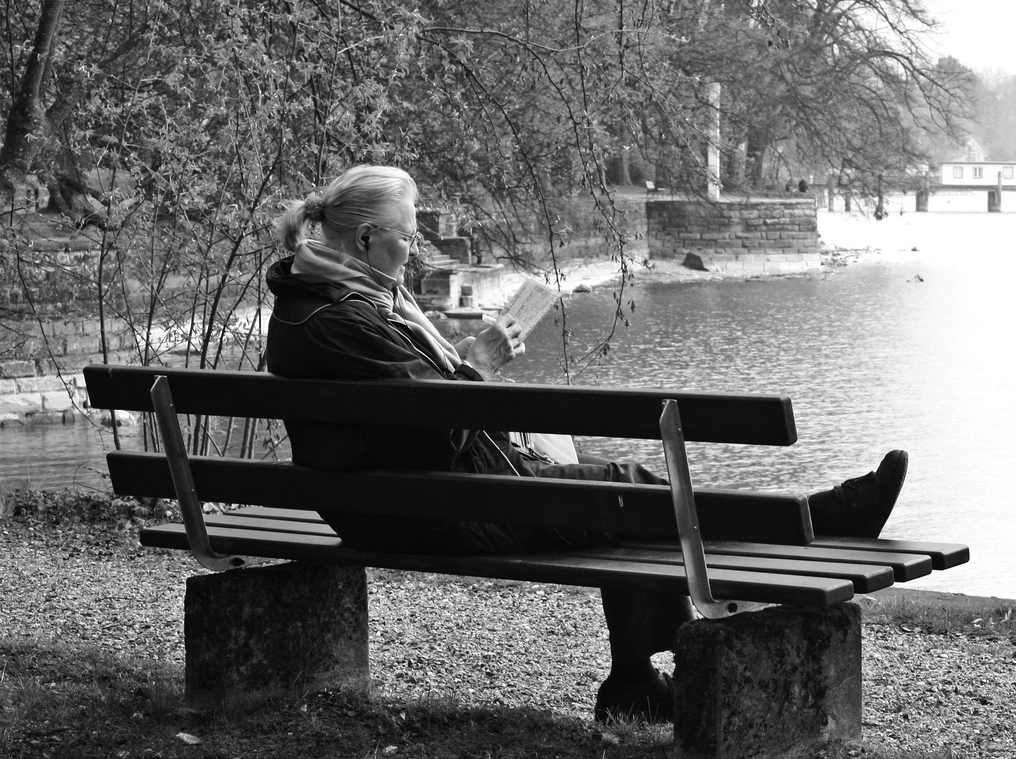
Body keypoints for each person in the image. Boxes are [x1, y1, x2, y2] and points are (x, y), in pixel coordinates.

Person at [264, 165, 908, 723]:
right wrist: (478, 364)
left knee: (617, 499)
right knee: (628, 490)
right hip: (437, 509)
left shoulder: (326, 303)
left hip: (406, 498)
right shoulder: (344, 316)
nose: (414, 249)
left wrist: (460, 364)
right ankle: (818, 518)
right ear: (368, 237)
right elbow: (431, 430)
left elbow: (403, 412)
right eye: (406, 235)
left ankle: (634, 682)